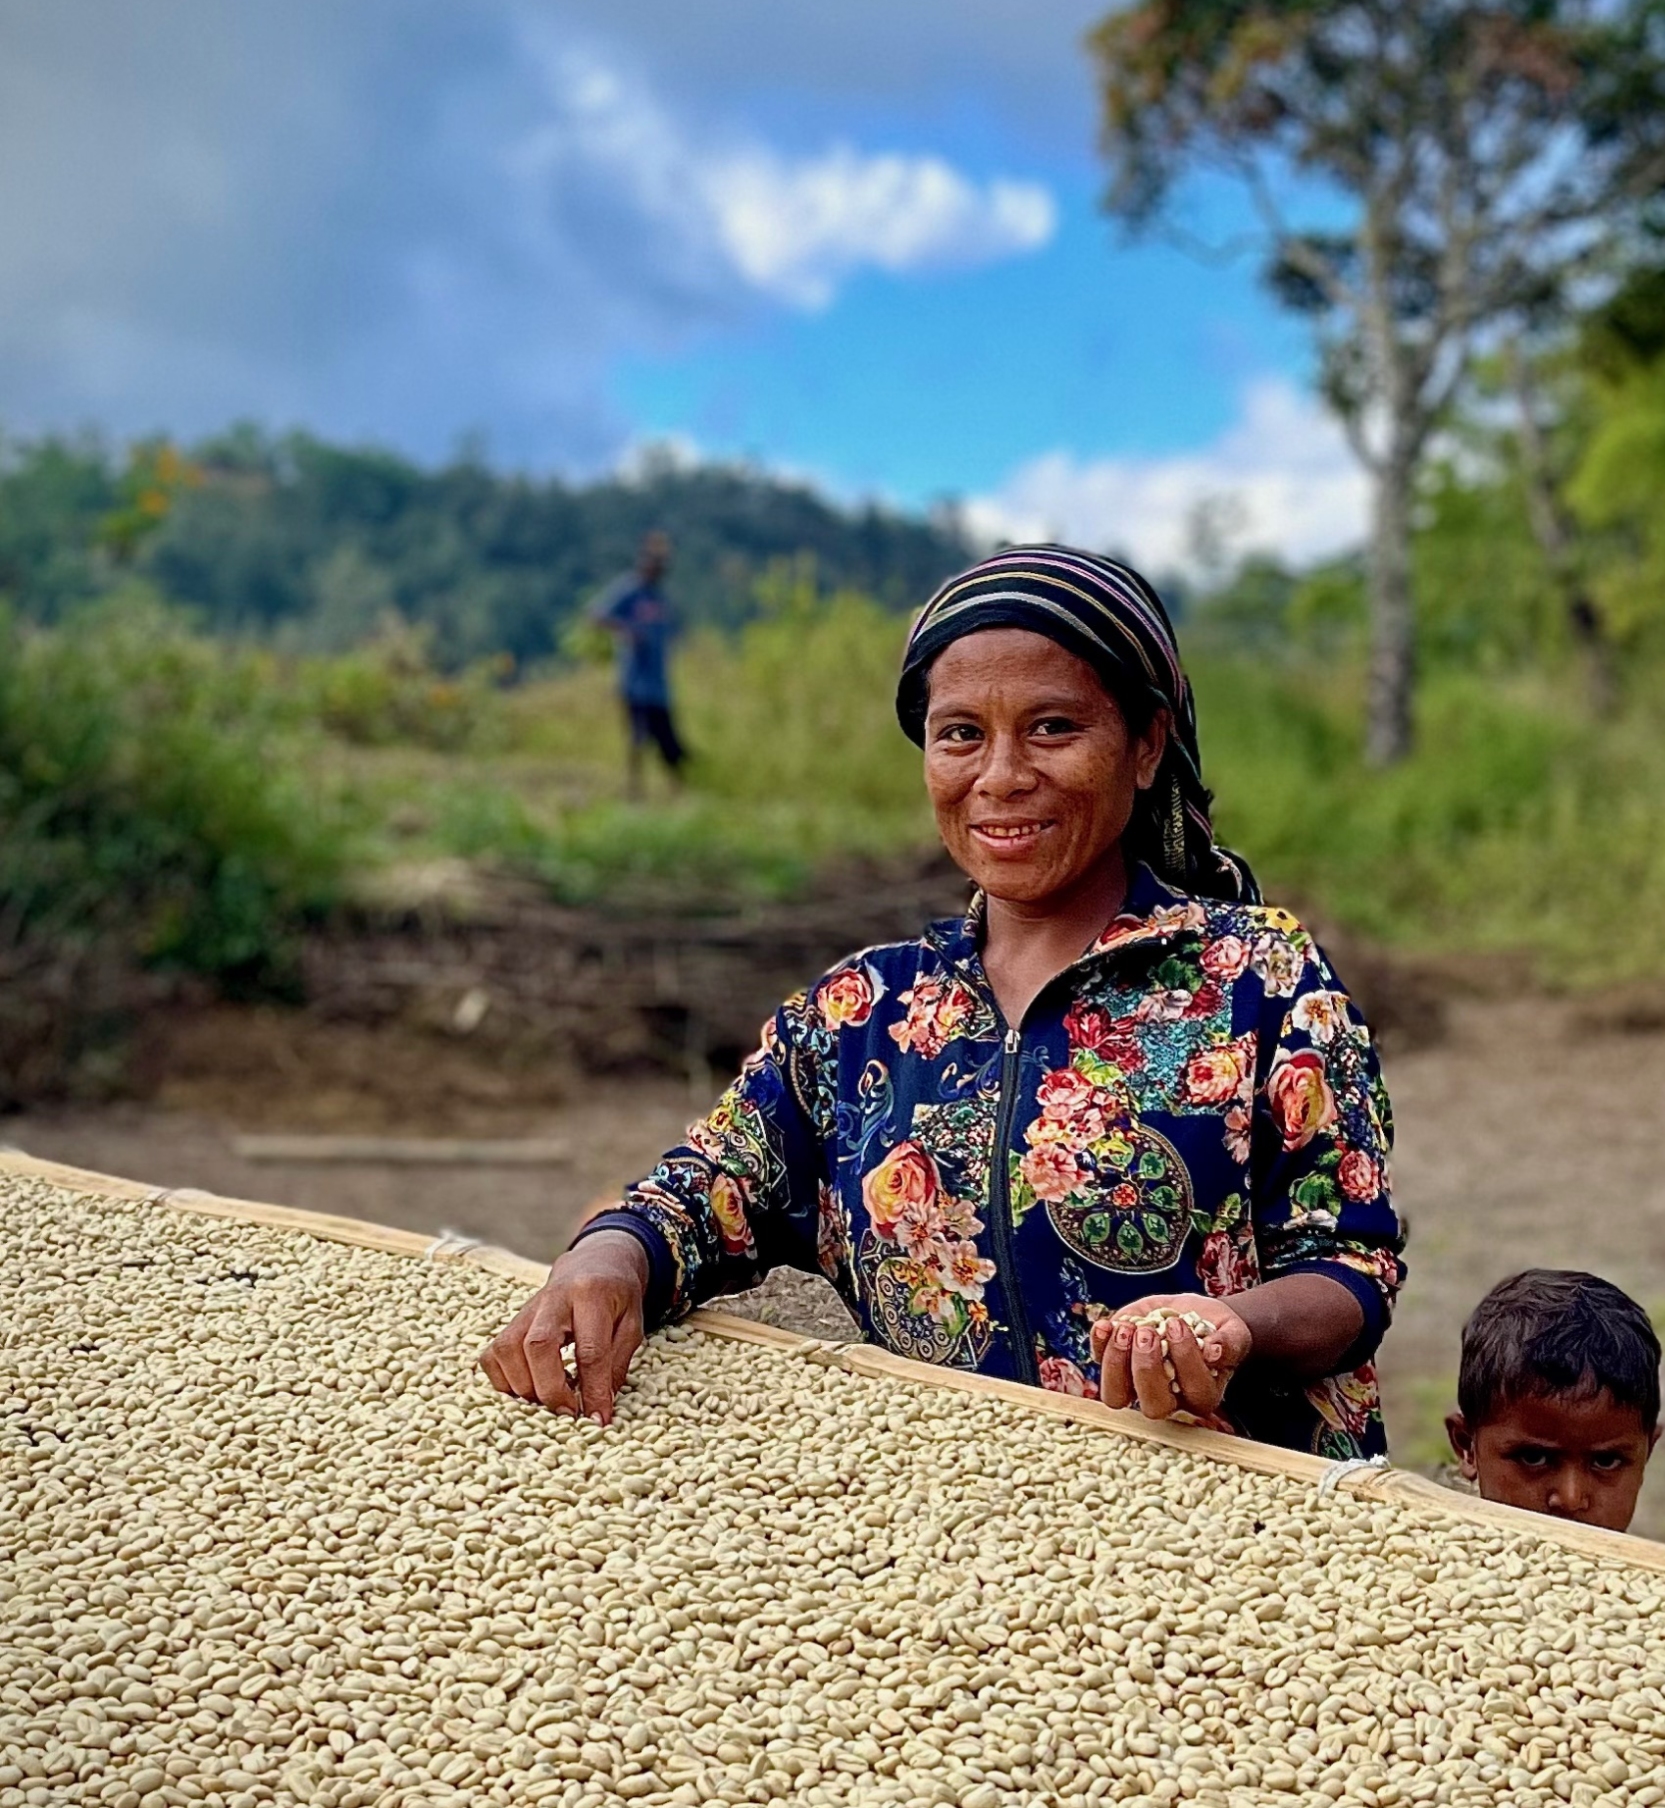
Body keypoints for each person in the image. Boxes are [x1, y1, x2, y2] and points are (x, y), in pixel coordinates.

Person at [482, 545, 1405, 1456]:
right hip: (954, 1521)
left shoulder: (1262, 979)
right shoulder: (862, 1012)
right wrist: (609, 1258)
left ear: (1146, 743)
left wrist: (1231, 1324)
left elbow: (1352, 1267)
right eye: (960, 733)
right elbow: (707, 1191)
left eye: (1052, 727)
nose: (1000, 774)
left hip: (1238, 1515)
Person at [1443, 1269, 1662, 1531]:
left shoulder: (1656, 1571)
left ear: (1646, 1451)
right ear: (1468, 1447)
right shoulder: (1421, 1559)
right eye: (1534, 1458)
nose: (1571, 1499)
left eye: (1605, 1462)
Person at [591, 530, 686, 796]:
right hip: (635, 681)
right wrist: (627, 630)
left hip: (659, 684)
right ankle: (635, 789)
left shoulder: (660, 597)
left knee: (668, 740)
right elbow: (596, 615)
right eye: (654, 560)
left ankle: (678, 789)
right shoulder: (629, 590)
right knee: (638, 737)